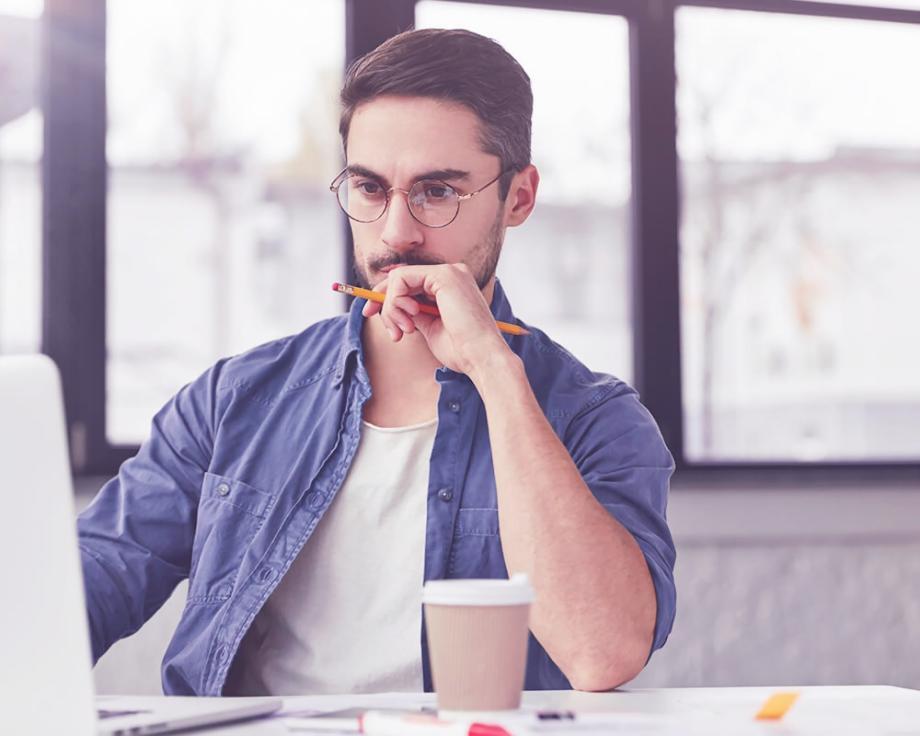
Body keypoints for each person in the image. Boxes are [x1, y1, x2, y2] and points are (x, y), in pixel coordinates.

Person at [78, 28, 676, 697]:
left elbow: (601, 652)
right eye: (369, 188)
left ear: (518, 198)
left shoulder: (596, 418)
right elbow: (86, 584)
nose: (396, 232)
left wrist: (495, 372)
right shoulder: (232, 400)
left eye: (437, 192)